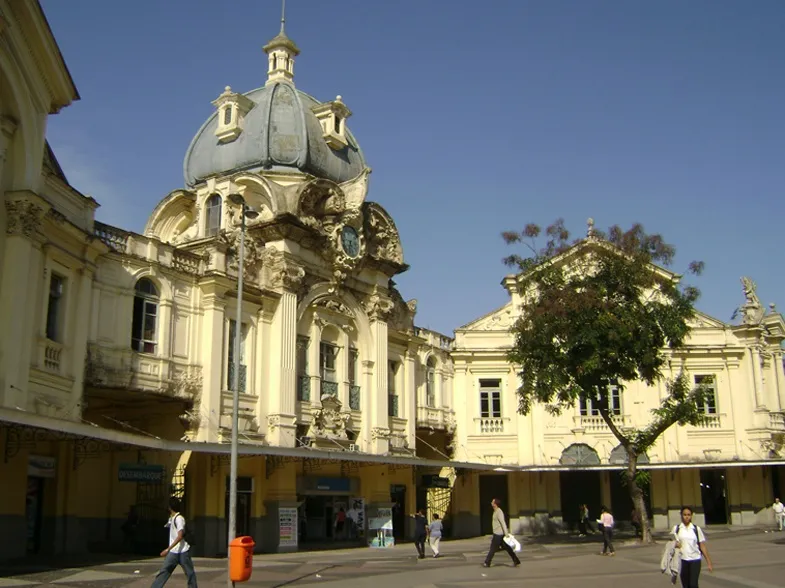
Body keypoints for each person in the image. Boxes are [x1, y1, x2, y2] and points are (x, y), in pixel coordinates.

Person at [150, 498, 197, 588]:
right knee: (164, 572)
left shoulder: (179, 519)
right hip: (174, 552)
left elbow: (180, 536)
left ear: (170, 507)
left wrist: (168, 549)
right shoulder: (172, 518)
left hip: (182, 551)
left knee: (190, 573)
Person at [673, 506, 713, 588]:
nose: (687, 517)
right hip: (683, 560)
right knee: (685, 585)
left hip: (695, 559)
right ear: (681, 515)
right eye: (684, 515)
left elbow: (702, 546)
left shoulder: (696, 529)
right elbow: (671, 544)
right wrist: (675, 544)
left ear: (691, 516)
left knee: (693, 584)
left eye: (688, 514)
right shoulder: (677, 529)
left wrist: (709, 562)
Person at [483, 498, 521, 568]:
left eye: (492, 502)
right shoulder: (495, 511)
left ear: (495, 504)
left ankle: (487, 562)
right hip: (498, 534)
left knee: (493, 548)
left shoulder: (499, 512)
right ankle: (516, 561)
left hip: (498, 534)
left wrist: (506, 534)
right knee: (508, 548)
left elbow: (503, 522)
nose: (491, 503)